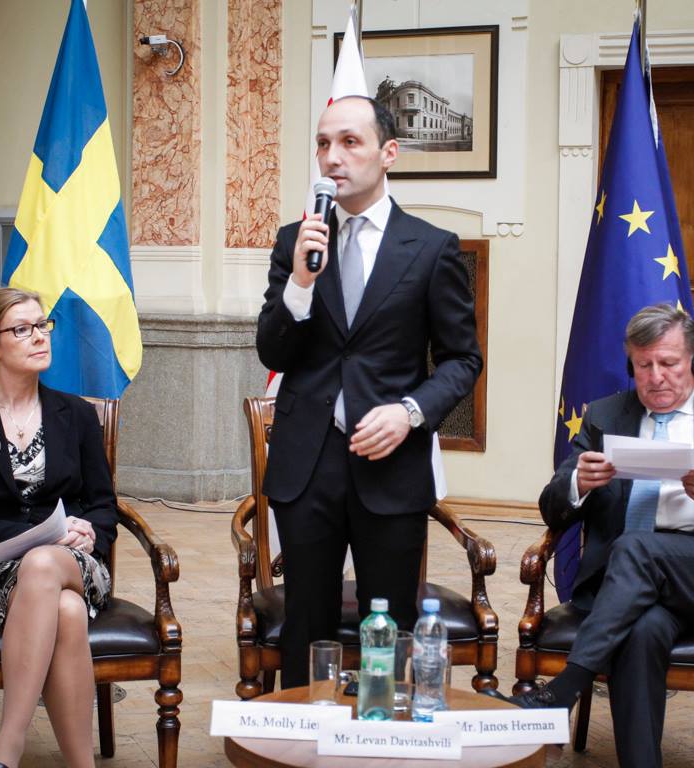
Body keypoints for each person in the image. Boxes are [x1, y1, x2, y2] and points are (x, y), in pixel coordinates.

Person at [503, 303, 694, 768]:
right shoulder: (605, 416)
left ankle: (563, 690)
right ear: (631, 365)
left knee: (636, 547)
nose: (656, 377)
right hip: (630, 589)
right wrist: (578, 483)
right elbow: (550, 505)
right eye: (643, 365)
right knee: (643, 630)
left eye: (668, 363)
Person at [256, 95, 482, 687]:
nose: (333, 157)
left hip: (391, 464)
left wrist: (410, 413)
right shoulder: (295, 242)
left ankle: (385, 728)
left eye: (350, 142)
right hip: (307, 466)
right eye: (323, 143)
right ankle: (302, 728)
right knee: (307, 628)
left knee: (391, 630)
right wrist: (300, 283)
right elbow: (273, 353)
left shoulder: (431, 247)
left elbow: (462, 360)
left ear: (389, 153)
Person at [0, 288, 118, 768]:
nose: (39, 336)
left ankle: (7, 749)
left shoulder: (76, 415)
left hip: (73, 563)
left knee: (44, 565)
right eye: (22, 329)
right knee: (67, 611)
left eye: (42, 325)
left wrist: (90, 533)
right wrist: (29, 539)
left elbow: (104, 506)